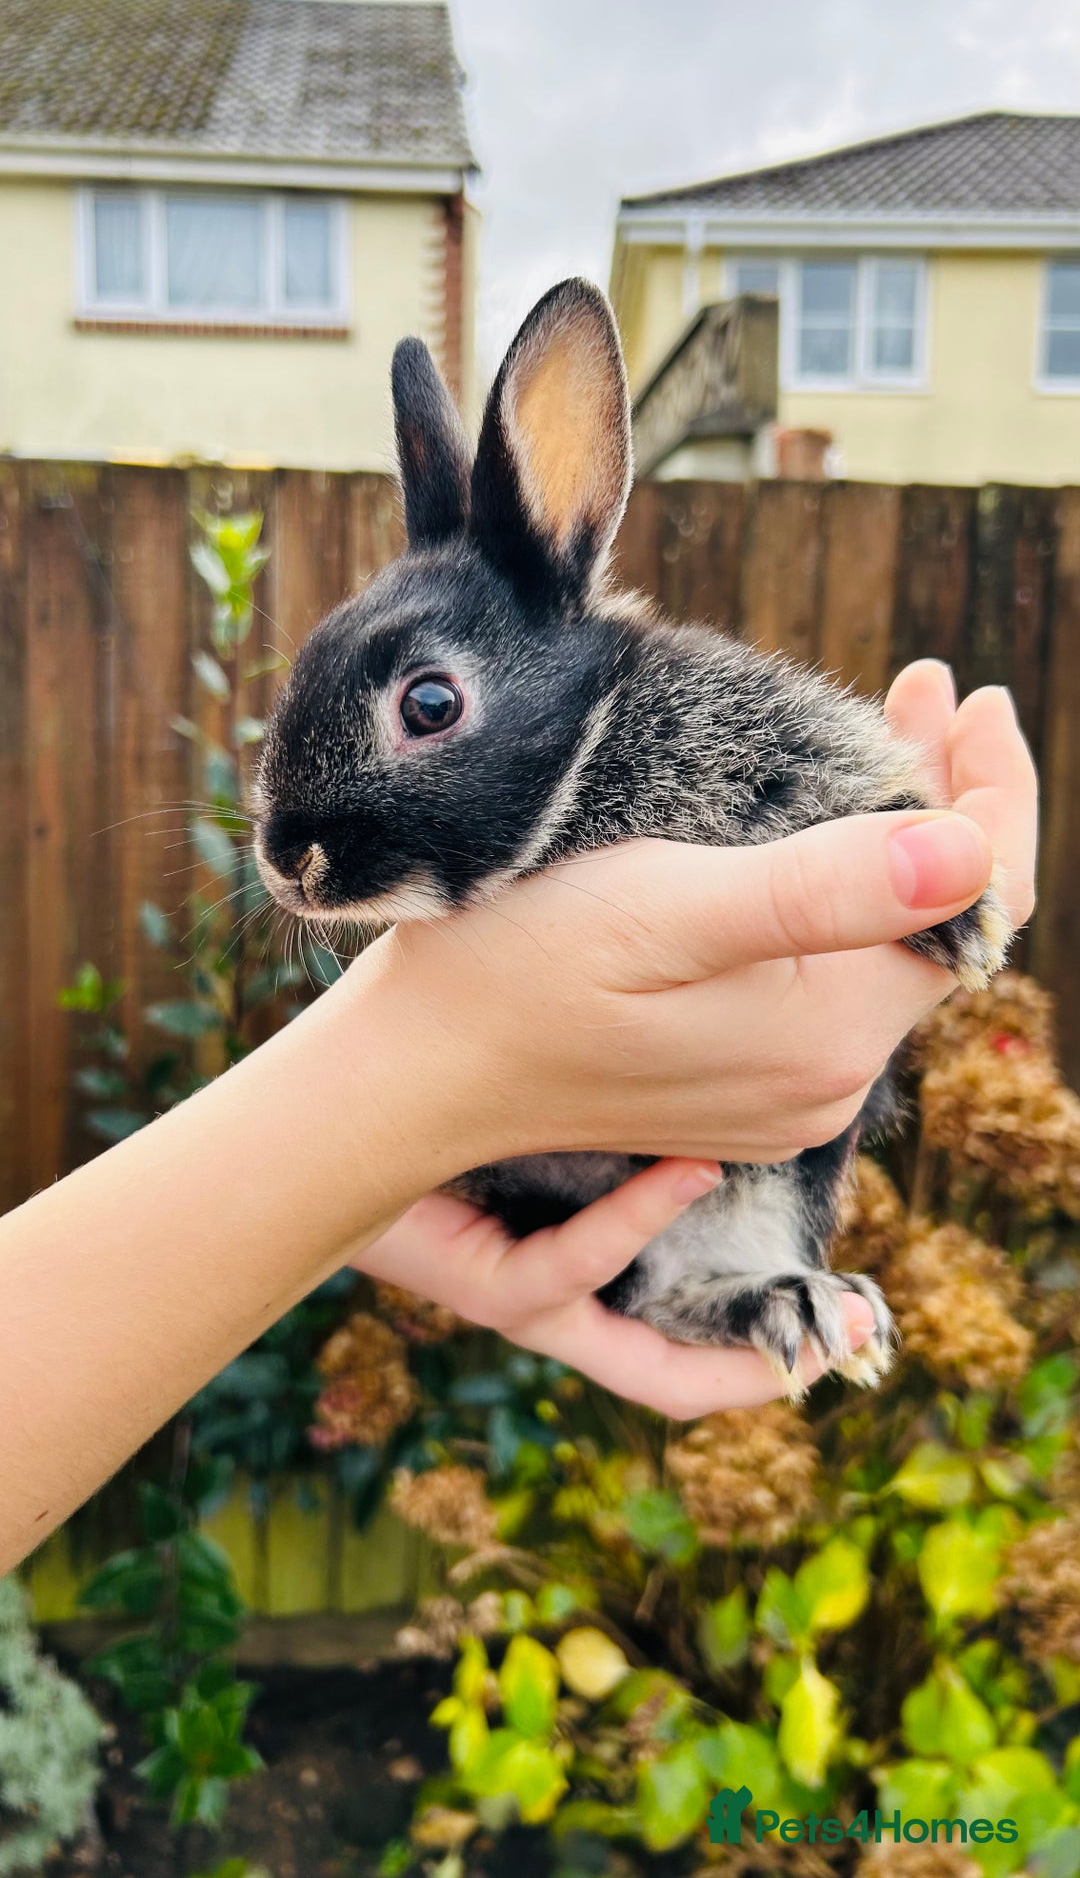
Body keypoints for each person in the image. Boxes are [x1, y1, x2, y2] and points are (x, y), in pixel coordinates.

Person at [0, 665, 1036, 1574]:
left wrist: (914, 878)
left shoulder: (674, 705)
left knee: (767, 1167)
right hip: (536, 1178)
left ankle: (731, 1276)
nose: (288, 867)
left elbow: (814, 769)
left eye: (430, 704)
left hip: (660, 1185)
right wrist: (420, 1087)